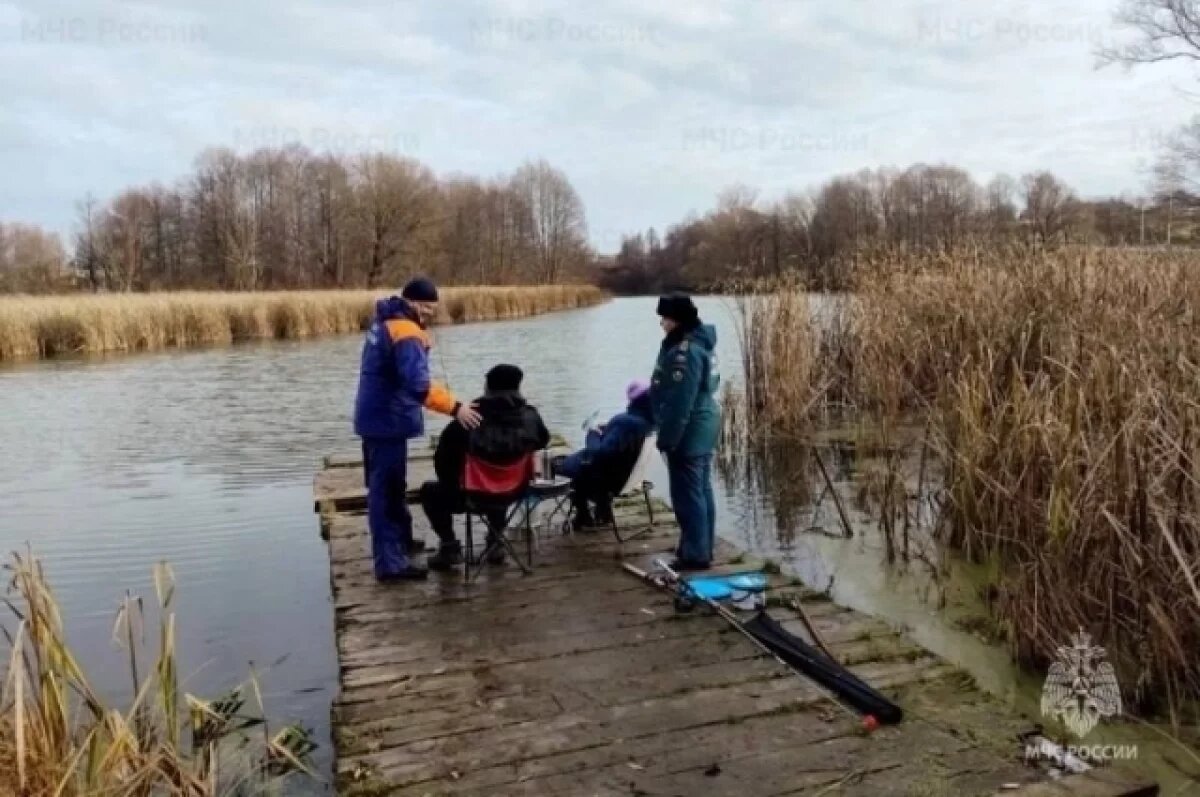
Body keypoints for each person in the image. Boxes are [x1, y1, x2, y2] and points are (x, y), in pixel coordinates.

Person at [353, 277, 481, 582]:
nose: (428, 314)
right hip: (388, 422)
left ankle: (402, 541)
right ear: (409, 302)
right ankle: (390, 565)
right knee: (384, 493)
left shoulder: (384, 322)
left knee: (391, 486)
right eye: (424, 308)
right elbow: (418, 385)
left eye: (432, 309)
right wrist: (455, 407)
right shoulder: (407, 332)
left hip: (374, 418)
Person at [421, 364, 551, 571]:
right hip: (515, 493)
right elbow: (543, 441)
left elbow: (443, 465)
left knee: (430, 491)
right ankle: (495, 542)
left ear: (487, 388)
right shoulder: (532, 417)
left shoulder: (466, 419)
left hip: (473, 497)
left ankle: (449, 547)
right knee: (502, 478)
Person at [650, 293, 721, 570]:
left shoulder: (686, 351)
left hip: (690, 428)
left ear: (677, 319)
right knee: (700, 489)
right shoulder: (700, 343)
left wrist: (667, 438)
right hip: (703, 423)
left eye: (664, 319)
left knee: (687, 493)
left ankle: (695, 555)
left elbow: (682, 400)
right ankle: (701, 547)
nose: (662, 324)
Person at [556, 379, 656, 530]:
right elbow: (620, 446)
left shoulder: (624, 421)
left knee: (561, 467)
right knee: (581, 465)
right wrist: (609, 430)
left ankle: (584, 515)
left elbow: (598, 453)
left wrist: (592, 434)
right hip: (628, 478)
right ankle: (603, 511)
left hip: (608, 481)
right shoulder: (650, 424)